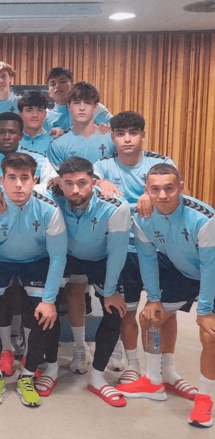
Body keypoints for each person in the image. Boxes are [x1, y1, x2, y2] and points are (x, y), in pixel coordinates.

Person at [93, 112, 193, 399]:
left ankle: (168, 370)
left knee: (165, 312)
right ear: (112, 137)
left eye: (133, 132)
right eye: (121, 133)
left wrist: (149, 195)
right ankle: (133, 365)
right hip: (122, 250)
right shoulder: (102, 166)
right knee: (129, 311)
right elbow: (93, 194)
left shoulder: (161, 163)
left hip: (160, 250)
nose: (127, 138)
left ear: (142, 136)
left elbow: (173, 197)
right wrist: (102, 184)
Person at [0, 152, 67, 407]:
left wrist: (49, 301)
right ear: (1, 180)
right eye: (12, 178)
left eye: (25, 178)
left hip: (35, 262)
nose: (19, 184)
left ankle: (27, 374)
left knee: (44, 314)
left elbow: (58, 257)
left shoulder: (49, 208)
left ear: (35, 180)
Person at [121, 163, 213, 428]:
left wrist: (204, 312)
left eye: (169, 188)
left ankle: (205, 398)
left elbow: (210, 267)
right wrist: (153, 297)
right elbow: (148, 259)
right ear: (146, 190)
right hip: (182, 271)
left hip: (212, 273)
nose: (162, 195)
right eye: (156, 189)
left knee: (210, 335)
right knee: (151, 318)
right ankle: (157, 378)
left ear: (181, 187)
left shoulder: (203, 218)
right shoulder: (143, 217)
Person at [51, 157, 130, 406]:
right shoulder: (52, 199)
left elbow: (118, 252)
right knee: (49, 300)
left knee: (114, 306)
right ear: (60, 185)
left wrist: (109, 291)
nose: (75, 190)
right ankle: (78, 348)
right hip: (70, 256)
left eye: (82, 183)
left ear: (94, 183)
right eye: (69, 184)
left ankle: (99, 374)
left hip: (104, 257)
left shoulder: (116, 206)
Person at [0, 112, 57, 193]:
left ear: (21, 136)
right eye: (1, 132)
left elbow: (49, 191)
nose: (6, 137)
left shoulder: (40, 161)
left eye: (12, 132)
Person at [47, 82, 116, 169]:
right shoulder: (57, 145)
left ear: (95, 107)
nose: (82, 108)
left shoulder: (113, 140)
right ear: (69, 107)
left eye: (87, 102)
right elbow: (57, 180)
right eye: (77, 103)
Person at [44, 67, 112, 132]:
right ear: (49, 93)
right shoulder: (45, 118)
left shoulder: (94, 108)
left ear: (72, 86)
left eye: (62, 81)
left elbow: (116, 129)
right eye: (53, 84)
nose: (57, 86)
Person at [18, 91, 53, 156]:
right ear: (20, 115)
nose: (35, 115)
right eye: (29, 110)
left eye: (39, 110)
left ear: (45, 114)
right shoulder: (11, 142)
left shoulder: (55, 142)